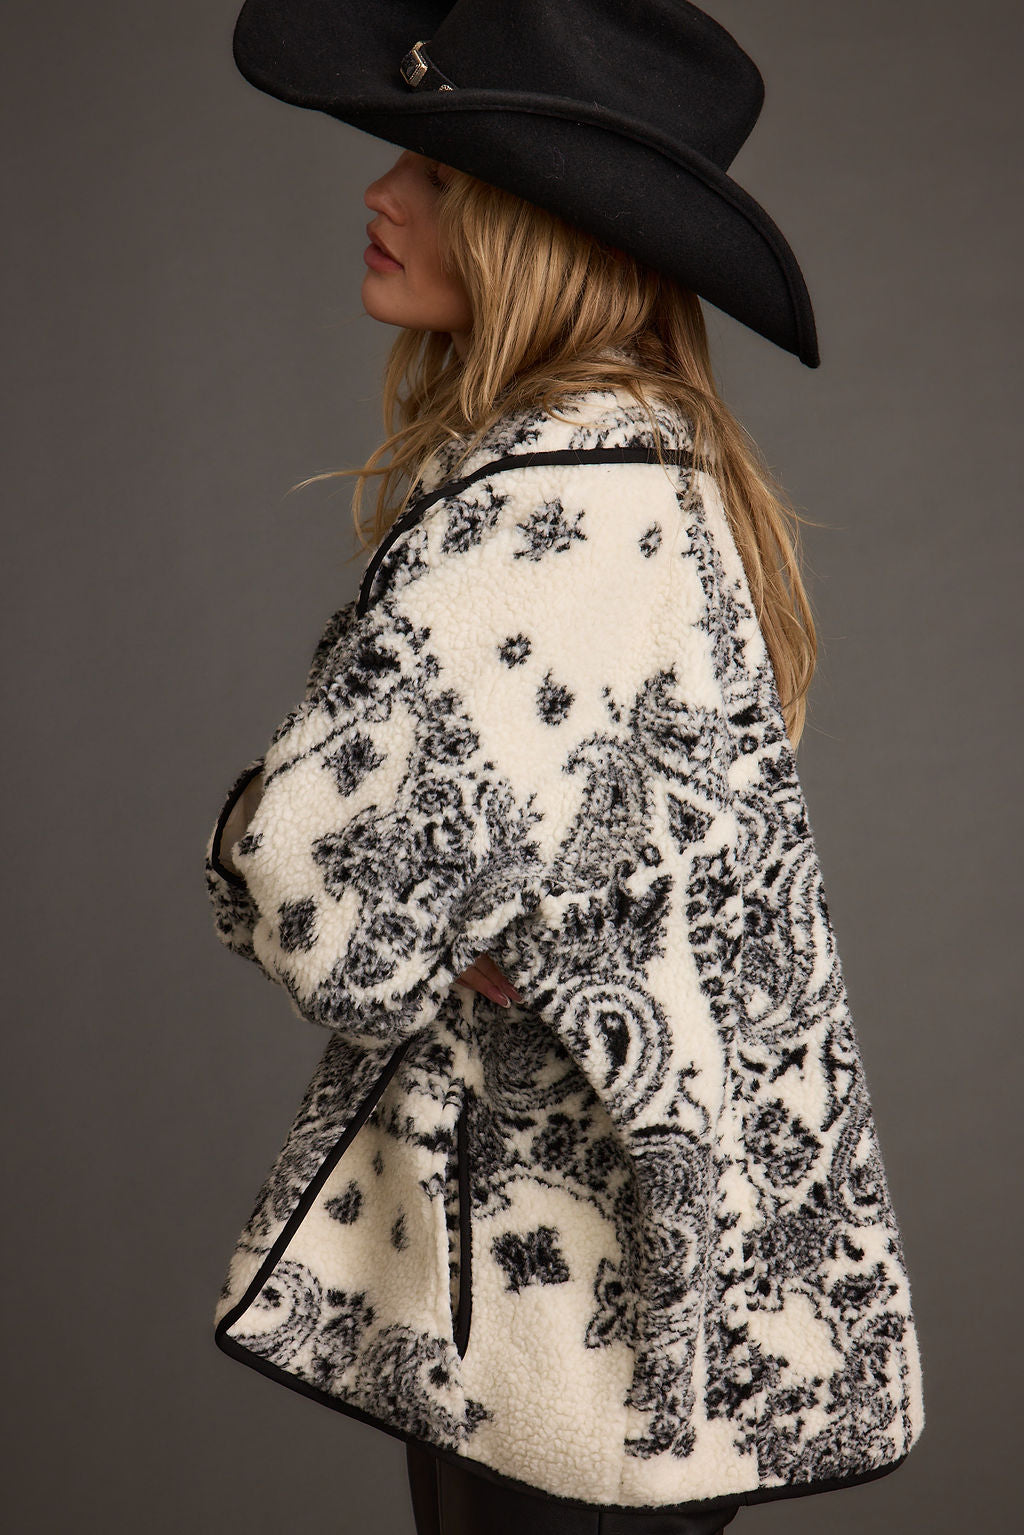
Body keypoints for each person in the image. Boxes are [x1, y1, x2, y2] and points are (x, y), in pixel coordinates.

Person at [204, 5, 925, 1533]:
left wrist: (253, 828)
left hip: (567, 1337)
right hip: (618, 1321)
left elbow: (329, 910)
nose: (379, 192)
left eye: (433, 170)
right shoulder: (646, 464)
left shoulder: (553, 504)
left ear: (533, 225)